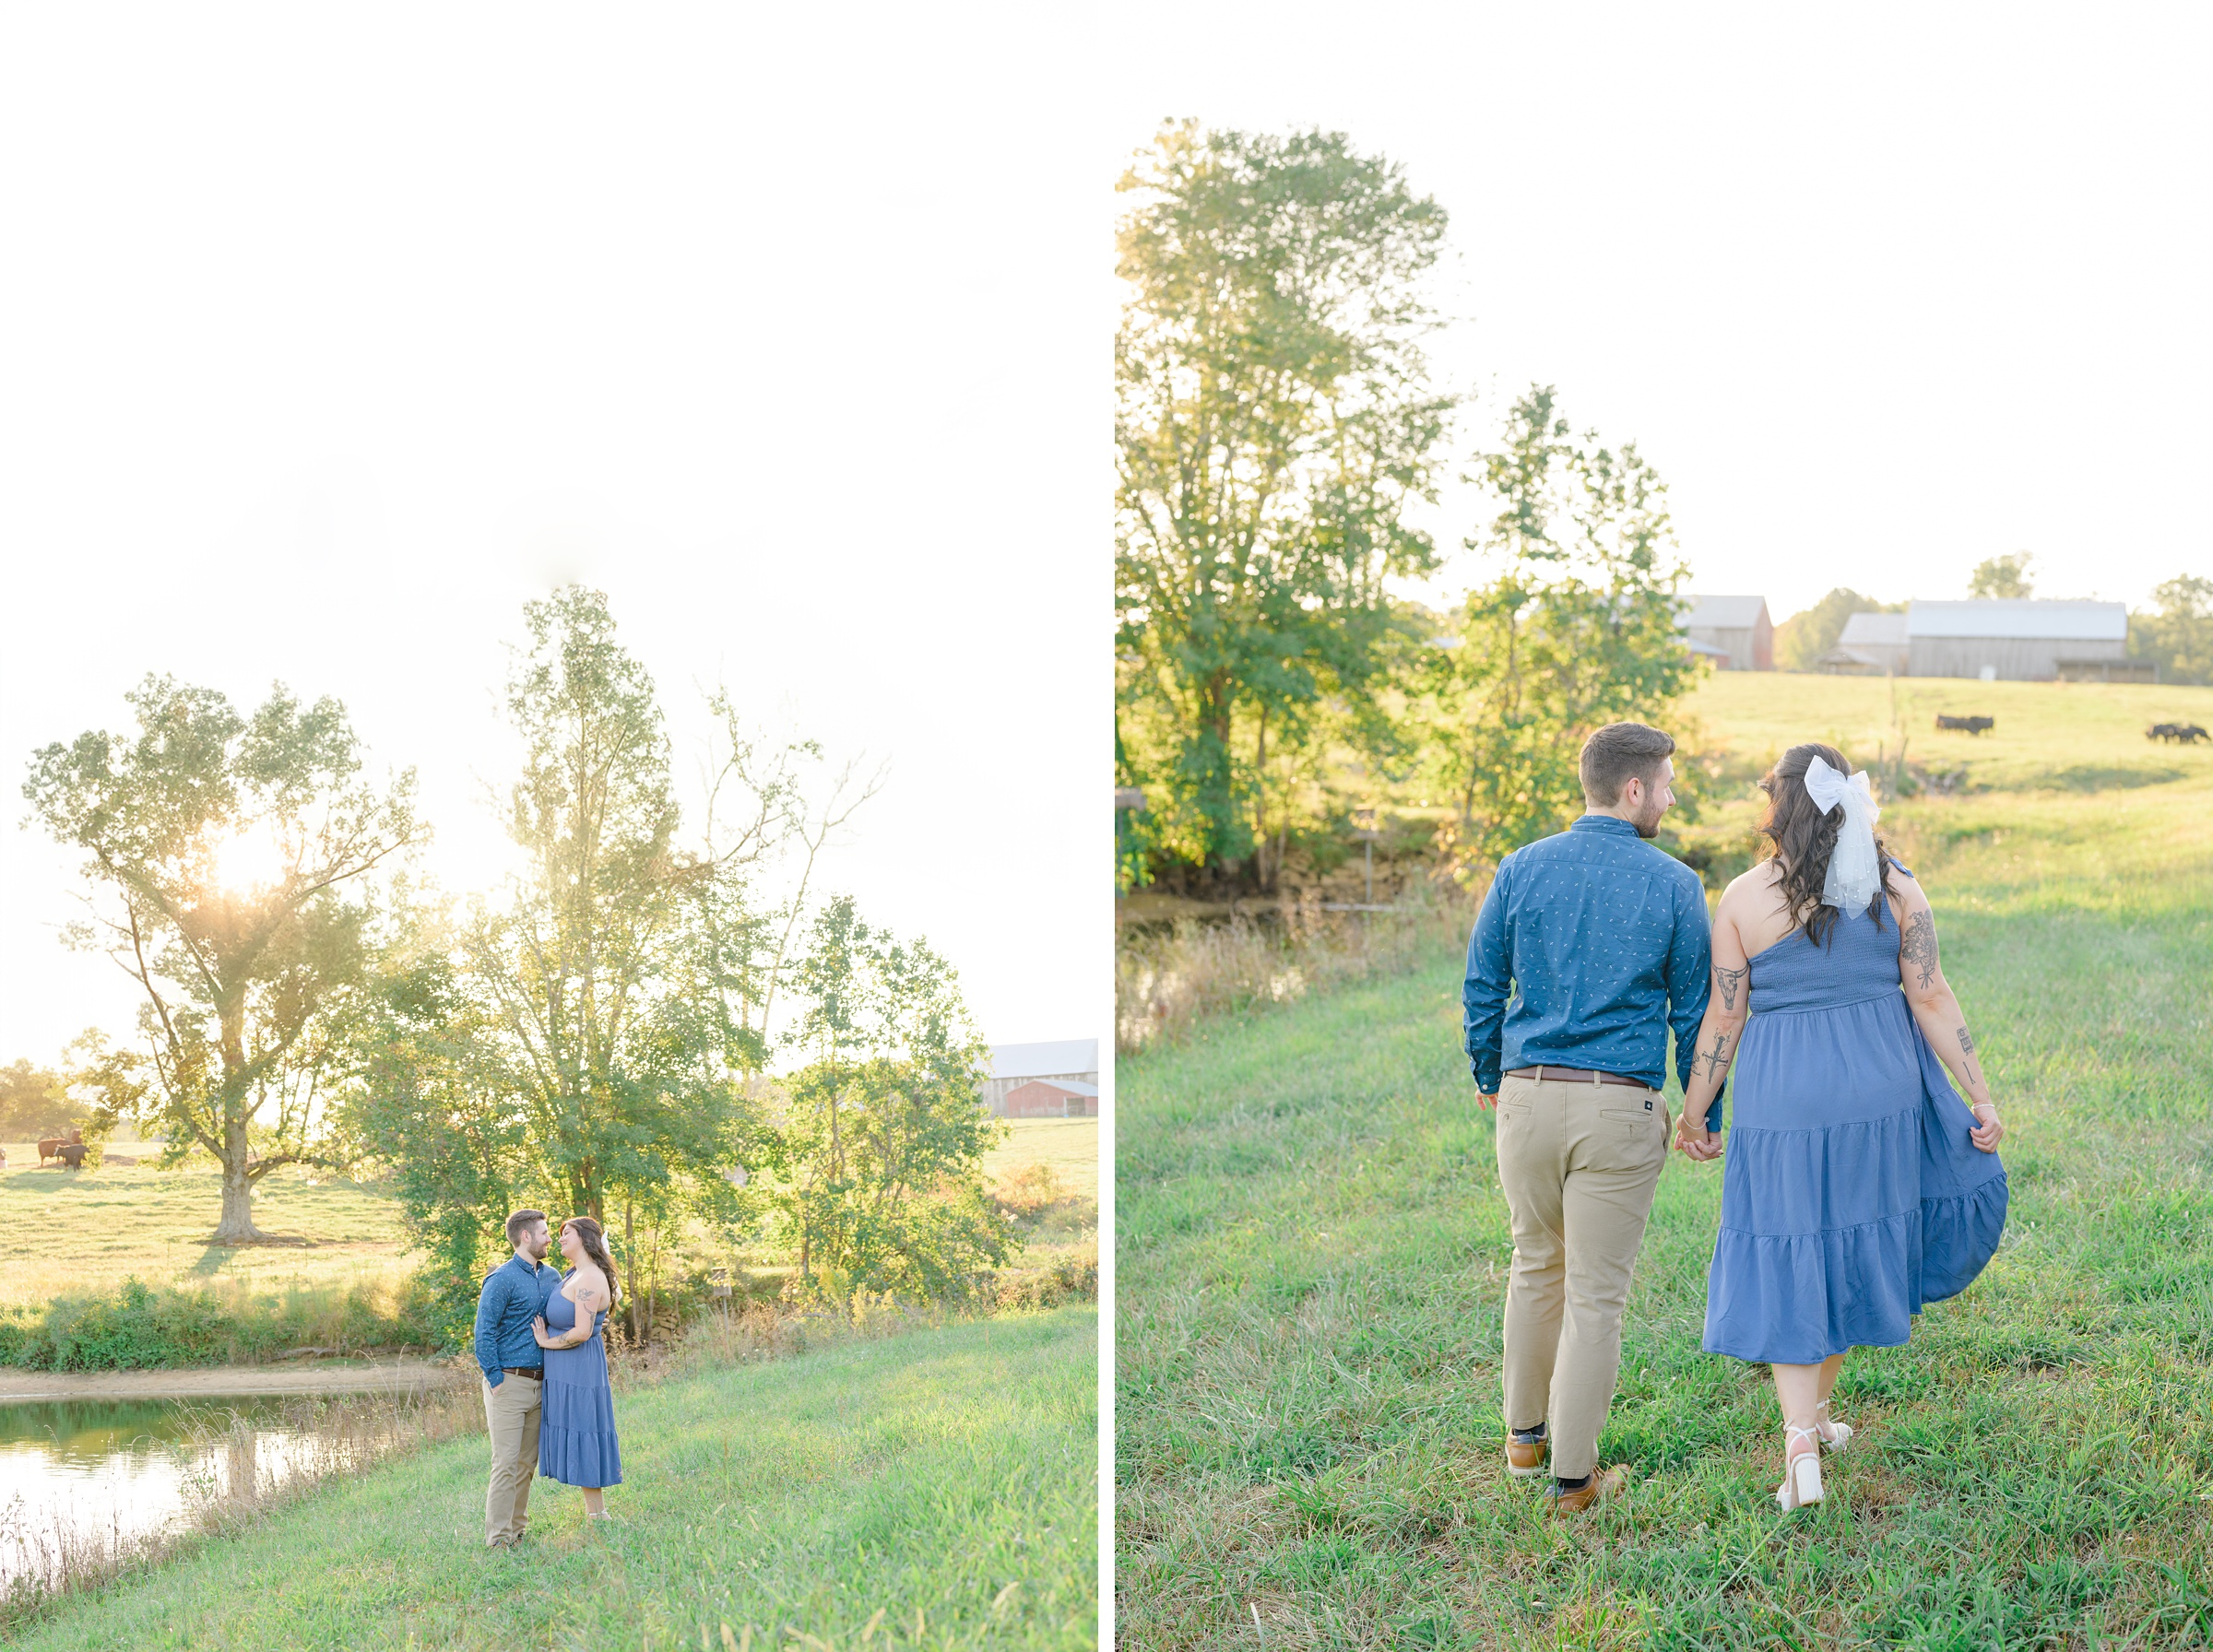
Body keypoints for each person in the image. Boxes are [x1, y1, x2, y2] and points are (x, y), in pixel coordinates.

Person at [1675, 743, 2007, 1511]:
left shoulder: (1744, 897)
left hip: (1784, 1094)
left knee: (1795, 1242)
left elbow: (1725, 1017)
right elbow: (1932, 997)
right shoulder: (1897, 887)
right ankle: (1815, 1423)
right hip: (1877, 1088)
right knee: (1852, 1234)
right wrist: (1980, 1096)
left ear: (1777, 809)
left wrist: (1695, 1113)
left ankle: (1800, 1442)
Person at [1462, 720, 1716, 1515]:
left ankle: (1522, 1442)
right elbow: (1695, 1013)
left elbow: (1482, 985)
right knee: (1596, 1297)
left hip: (1529, 1096)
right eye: (1668, 785)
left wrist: (1490, 1076)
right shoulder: (1675, 883)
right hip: (1618, 1106)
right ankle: (1575, 1481)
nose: (1672, 798)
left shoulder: (1520, 868)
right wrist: (1702, 1112)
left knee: (1535, 1264)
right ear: (1633, 789)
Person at [474, 1208, 561, 1548]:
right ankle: (497, 1541)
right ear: (526, 1237)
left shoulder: (552, 1276)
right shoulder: (502, 1279)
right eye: (544, 1232)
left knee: (526, 1464)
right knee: (506, 1463)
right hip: (508, 1383)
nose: (549, 1238)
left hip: (542, 1384)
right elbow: (484, 1333)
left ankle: (517, 1531)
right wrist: (495, 1378)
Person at [532, 1215, 624, 1521]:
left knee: (585, 1428)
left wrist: (545, 1343)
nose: (559, 1239)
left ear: (584, 1238)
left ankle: (599, 1516)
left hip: (580, 1368)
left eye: (565, 1233)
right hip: (566, 1370)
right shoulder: (575, 1274)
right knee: (578, 1428)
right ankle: (594, 1513)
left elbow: (582, 1332)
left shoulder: (589, 1278)